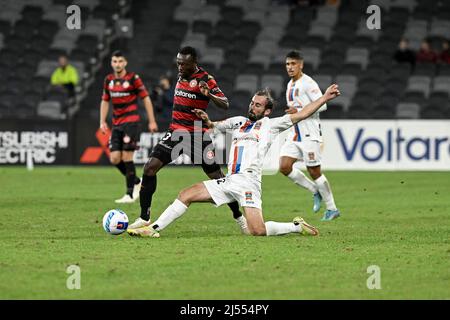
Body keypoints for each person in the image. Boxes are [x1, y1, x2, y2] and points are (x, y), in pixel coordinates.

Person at [127, 84, 340, 238]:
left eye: (258, 105)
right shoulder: (239, 122)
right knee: (186, 194)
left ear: (266, 110)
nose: (252, 107)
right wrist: (206, 119)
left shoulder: (271, 125)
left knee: (258, 230)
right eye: (252, 103)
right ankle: (152, 229)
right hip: (230, 180)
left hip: (249, 182)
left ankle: (296, 226)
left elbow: (302, 114)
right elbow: (214, 125)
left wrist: (325, 98)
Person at [128, 46, 247, 233]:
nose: (180, 66)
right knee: (150, 168)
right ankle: (144, 217)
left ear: (194, 63)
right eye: (178, 63)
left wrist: (209, 95)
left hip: (197, 135)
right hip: (175, 132)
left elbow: (225, 104)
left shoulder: (206, 79)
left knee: (217, 177)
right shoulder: (180, 75)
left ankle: (238, 216)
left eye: (184, 64)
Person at [279, 50, 340, 221]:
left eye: (293, 64)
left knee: (314, 171)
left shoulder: (308, 83)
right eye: (287, 64)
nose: (290, 67)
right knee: (284, 166)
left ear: (301, 65)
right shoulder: (290, 84)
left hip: (309, 134)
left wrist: (297, 110)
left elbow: (323, 105)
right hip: (295, 134)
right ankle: (315, 191)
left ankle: (332, 209)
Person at [99, 50, 159, 203]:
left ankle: (130, 194)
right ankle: (137, 182)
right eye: (114, 61)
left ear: (125, 63)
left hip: (131, 122)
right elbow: (105, 101)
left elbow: (146, 99)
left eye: (120, 61)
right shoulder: (109, 80)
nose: (117, 64)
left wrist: (152, 121)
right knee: (114, 158)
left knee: (127, 157)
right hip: (116, 123)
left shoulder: (133, 78)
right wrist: (102, 121)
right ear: (111, 63)